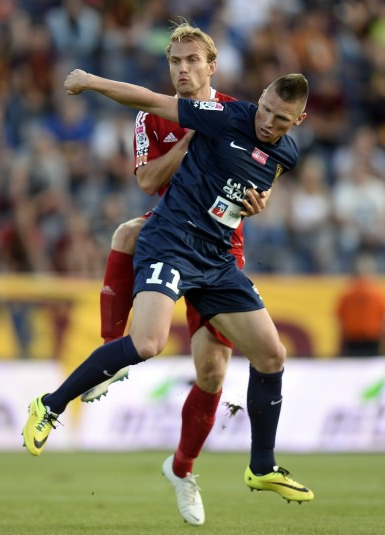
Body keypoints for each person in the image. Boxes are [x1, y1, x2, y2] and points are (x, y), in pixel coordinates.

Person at [22, 67, 315, 518]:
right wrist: (91, 82)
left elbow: (258, 179)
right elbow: (149, 100)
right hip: (172, 242)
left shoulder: (288, 152)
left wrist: (258, 202)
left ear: (298, 121)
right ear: (260, 98)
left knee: (271, 356)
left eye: (281, 119)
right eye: (266, 110)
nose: (267, 123)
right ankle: (50, 404)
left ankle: (261, 466)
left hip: (217, 259)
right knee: (147, 343)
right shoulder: (224, 115)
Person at [82, 23, 268, 526]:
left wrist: (261, 198)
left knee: (213, 372)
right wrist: (190, 137)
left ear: (212, 67)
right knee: (126, 233)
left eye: (192, 61)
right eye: (175, 62)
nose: (182, 69)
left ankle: (182, 469)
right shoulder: (154, 116)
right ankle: (111, 352)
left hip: (219, 247)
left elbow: (264, 173)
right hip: (170, 232)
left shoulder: (240, 115)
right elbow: (147, 181)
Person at [336, 253, 385, 356]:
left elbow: (340, 319)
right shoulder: (377, 293)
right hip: (370, 339)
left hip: (354, 339)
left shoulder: (347, 293)